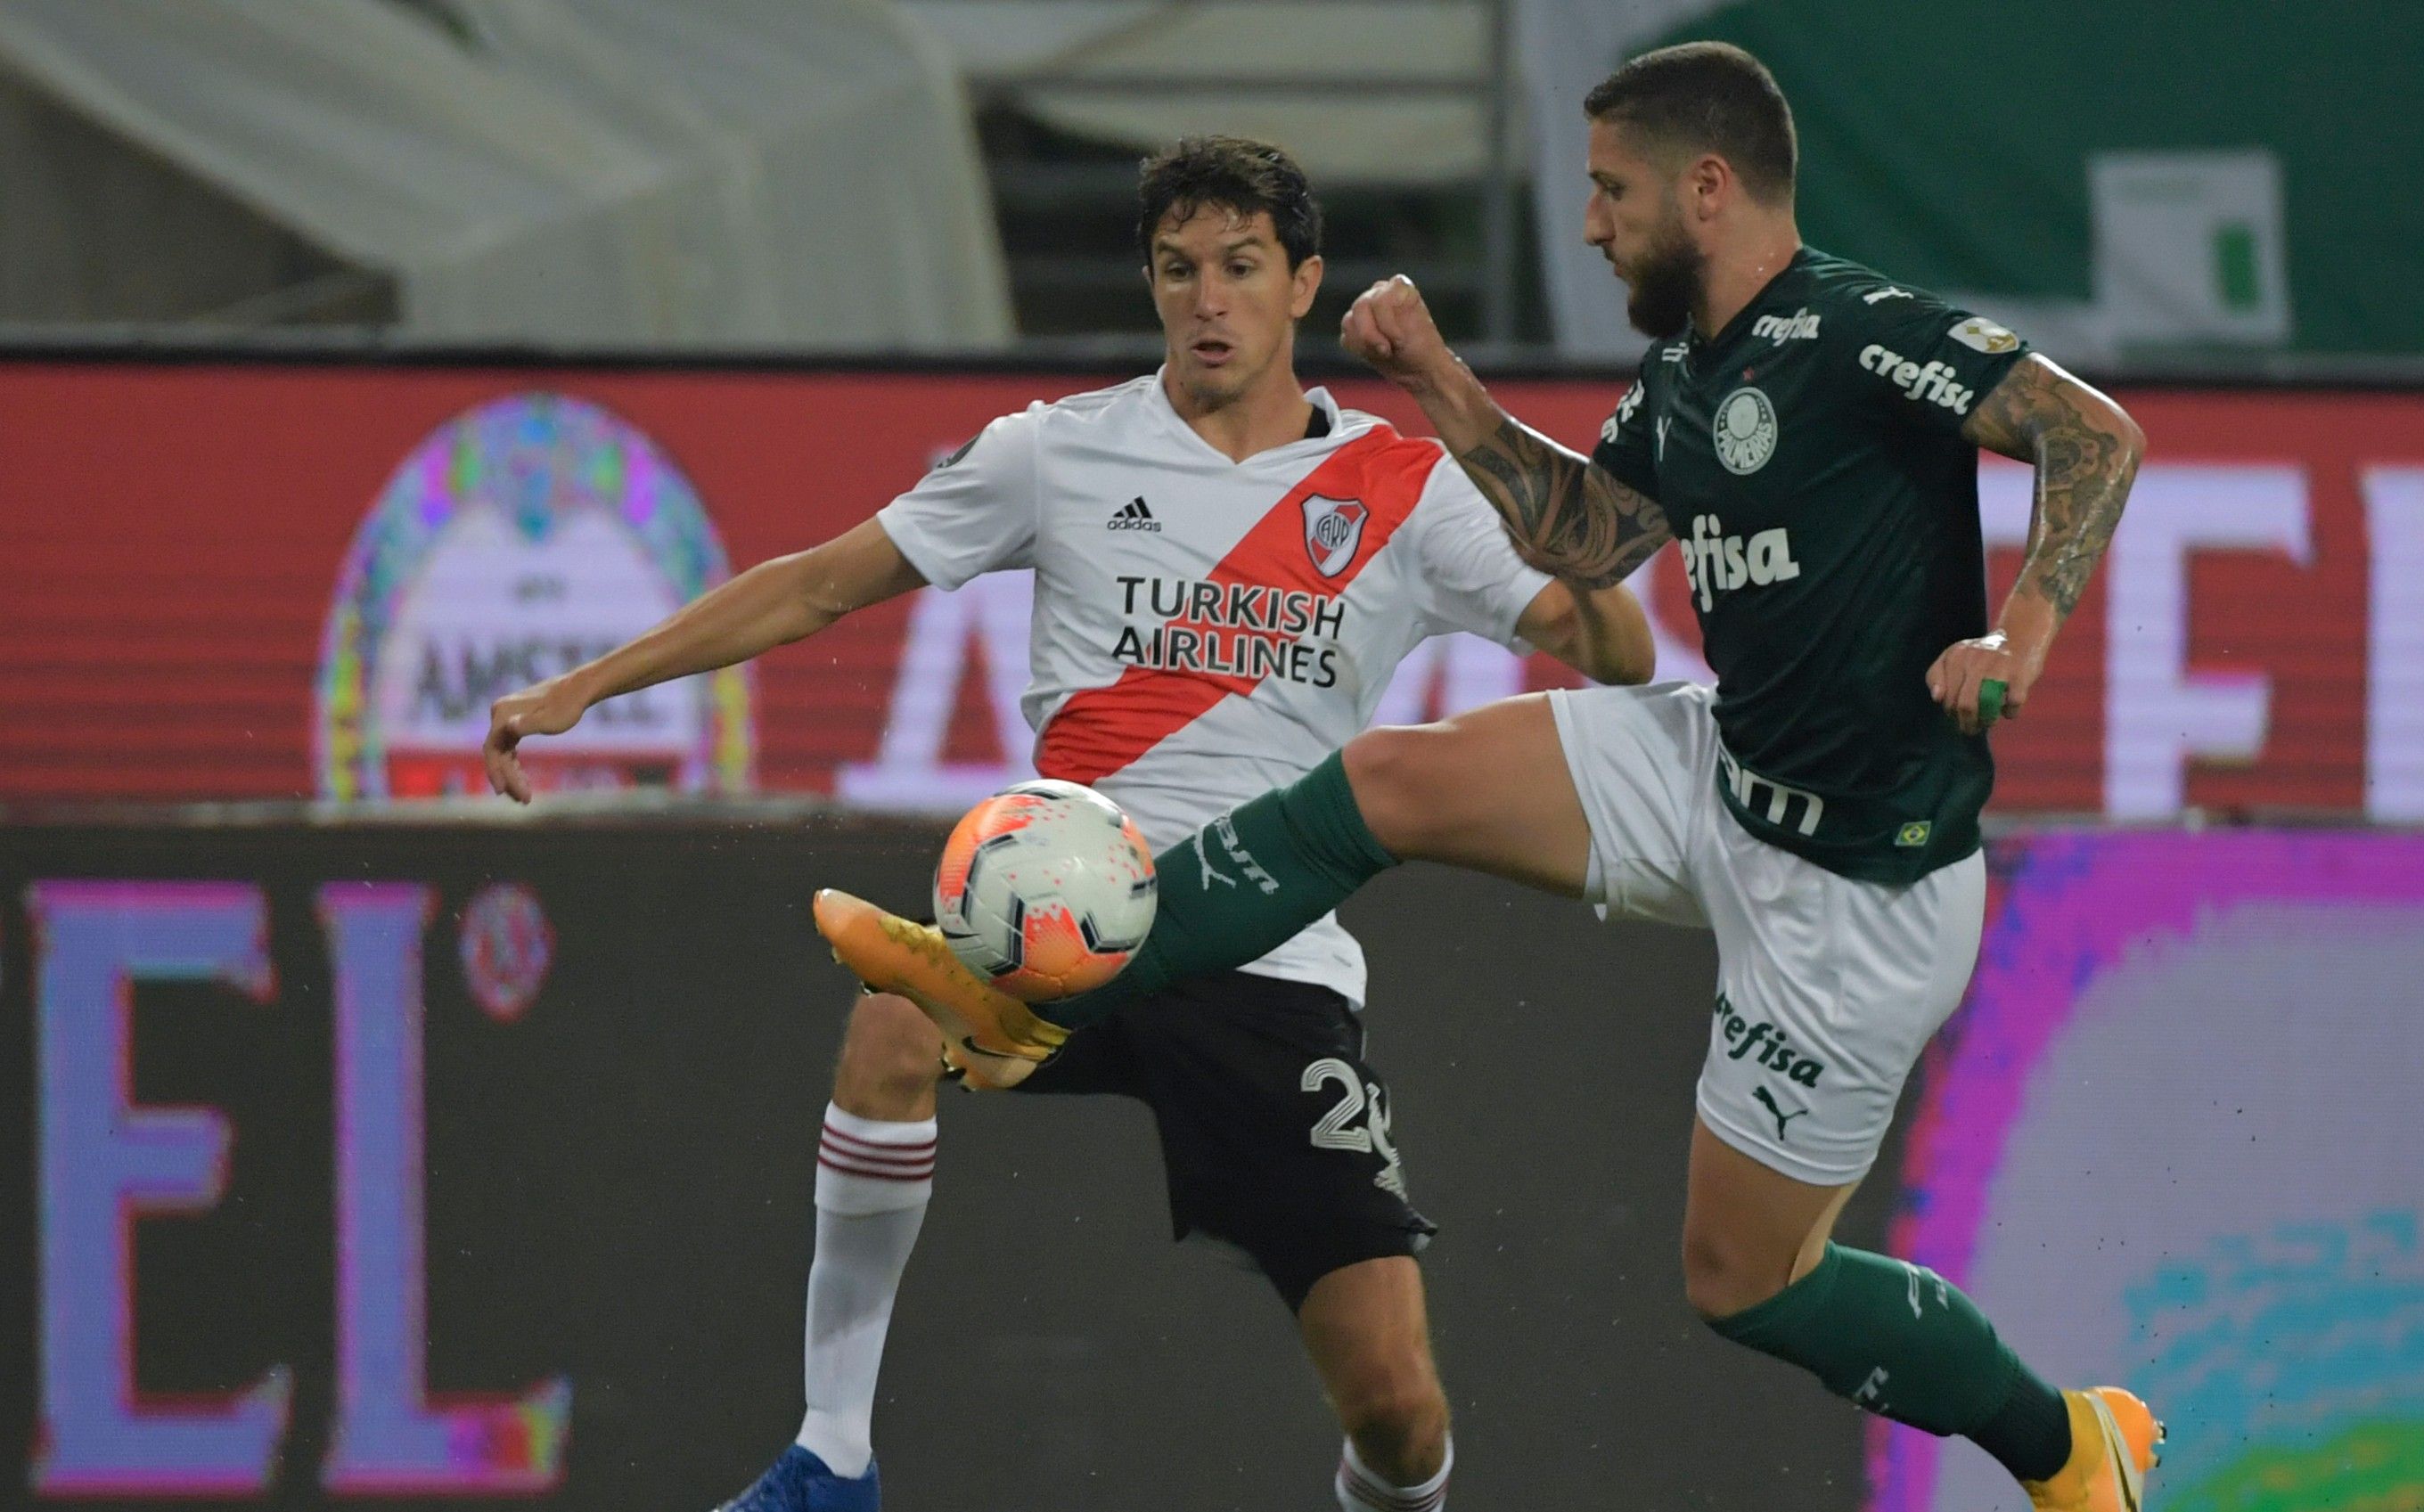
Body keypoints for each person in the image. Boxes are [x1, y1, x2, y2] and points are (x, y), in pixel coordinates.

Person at [821, 45, 2166, 1512]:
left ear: (1705, 188)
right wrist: (1442, 386)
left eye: (1611, 190)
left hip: (1861, 894)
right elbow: (1591, 539)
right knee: (1392, 780)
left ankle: (2063, 1445)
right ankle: (1029, 987)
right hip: (1720, 766)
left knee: (1744, 1282)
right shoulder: (1687, 370)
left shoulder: (1856, 331)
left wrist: (2017, 630)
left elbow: (2091, 429)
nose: (1590, 223)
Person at [482, 138, 1655, 1512]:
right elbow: (816, 587)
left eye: (1240, 268)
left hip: (1268, 961)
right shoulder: (1057, 451)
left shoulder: (1399, 488)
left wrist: (1456, 402)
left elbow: (1619, 644)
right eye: (1177, 271)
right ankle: (833, 1457)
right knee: (892, 1019)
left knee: (1398, 1411)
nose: (1206, 300)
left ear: (1304, 284)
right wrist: (586, 682)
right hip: (1071, 916)